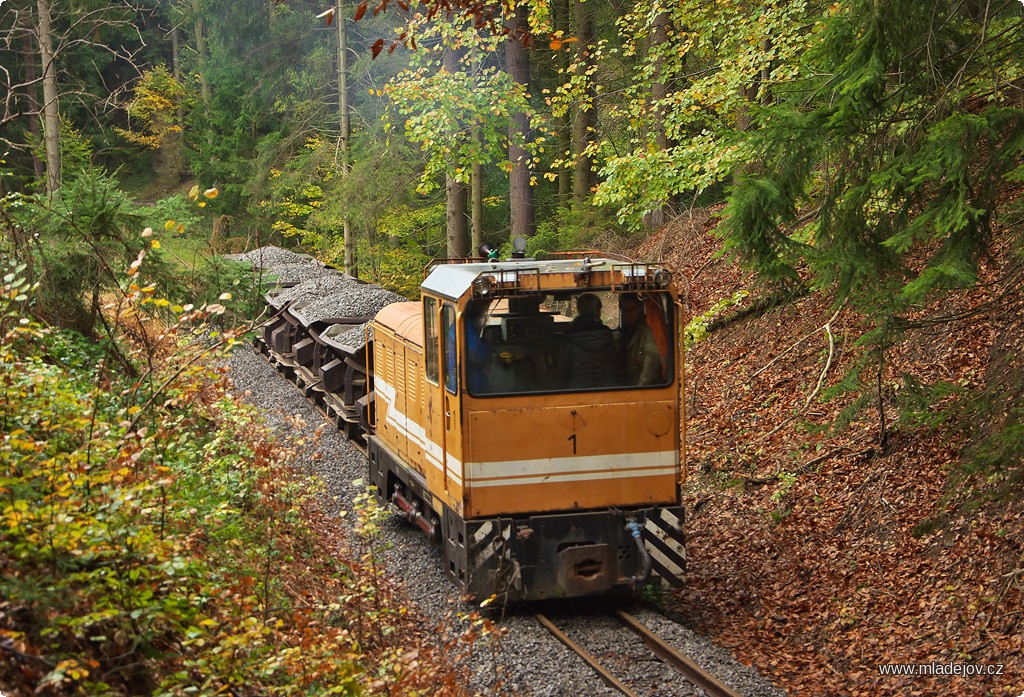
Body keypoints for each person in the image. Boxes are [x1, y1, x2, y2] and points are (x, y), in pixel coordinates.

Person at [562, 293, 615, 388]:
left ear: (579, 310)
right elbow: (615, 365)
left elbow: (563, 369)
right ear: (599, 311)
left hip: (576, 389)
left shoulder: (569, 338)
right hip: (606, 389)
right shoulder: (608, 336)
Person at [618, 293, 662, 385]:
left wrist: (641, 386)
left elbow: (652, 358)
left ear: (640, 310)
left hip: (643, 389)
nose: (629, 314)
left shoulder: (646, 332)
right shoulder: (624, 332)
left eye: (633, 309)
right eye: (625, 309)